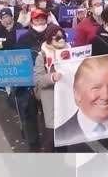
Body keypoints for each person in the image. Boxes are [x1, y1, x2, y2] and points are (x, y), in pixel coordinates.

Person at [12, 9, 51, 151]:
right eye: (37, 19)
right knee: (30, 113)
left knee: (49, 113)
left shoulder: (52, 36)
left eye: (43, 19)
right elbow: (19, 60)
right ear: (32, 21)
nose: (40, 22)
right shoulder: (24, 38)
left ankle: (50, 143)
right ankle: (34, 144)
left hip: (48, 81)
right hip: (30, 83)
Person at [34, 24, 70, 152]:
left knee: (64, 136)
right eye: (57, 37)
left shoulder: (71, 53)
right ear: (49, 39)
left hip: (67, 98)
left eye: (63, 37)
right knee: (51, 135)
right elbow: (38, 80)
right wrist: (52, 77)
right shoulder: (42, 56)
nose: (61, 40)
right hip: (50, 99)